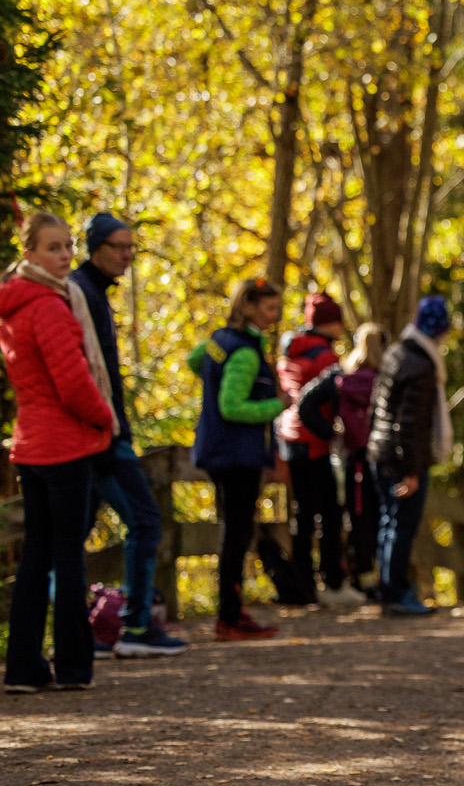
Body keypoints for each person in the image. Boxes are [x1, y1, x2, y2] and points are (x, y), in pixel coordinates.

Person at [2, 213, 118, 693]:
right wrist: (106, 418)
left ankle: (24, 667)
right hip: (62, 445)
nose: (66, 255)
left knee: (36, 556)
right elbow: (72, 383)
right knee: (68, 557)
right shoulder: (48, 305)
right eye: (54, 247)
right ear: (29, 253)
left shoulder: (14, 303)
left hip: (31, 444)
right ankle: (72, 666)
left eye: (69, 245)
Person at [70, 212, 184, 658]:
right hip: (98, 434)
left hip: (105, 430)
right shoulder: (80, 291)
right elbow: (81, 371)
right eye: (118, 246)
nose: (127, 255)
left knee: (73, 535)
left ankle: (84, 632)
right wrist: (103, 429)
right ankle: (135, 624)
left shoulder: (96, 293)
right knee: (145, 519)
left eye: (131, 247)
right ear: (95, 247)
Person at [188, 278, 289, 641]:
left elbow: (194, 360)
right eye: (268, 308)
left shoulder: (219, 341)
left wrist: (213, 380)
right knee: (237, 533)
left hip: (218, 450)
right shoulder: (245, 353)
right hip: (237, 455)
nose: (273, 316)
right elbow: (232, 407)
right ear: (248, 307)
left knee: (233, 531)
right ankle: (229, 616)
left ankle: (232, 611)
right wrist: (278, 405)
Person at [367, 297, 453, 618]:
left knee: (389, 521)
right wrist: (411, 471)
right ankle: (395, 590)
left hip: (382, 451)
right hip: (400, 458)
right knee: (401, 524)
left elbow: (379, 408)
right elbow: (410, 424)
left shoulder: (396, 353)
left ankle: (390, 587)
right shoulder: (421, 365)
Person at [277, 293, 356, 606]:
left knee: (303, 513)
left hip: (289, 438)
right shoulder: (325, 357)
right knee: (330, 514)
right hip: (315, 443)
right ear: (329, 323)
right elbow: (326, 399)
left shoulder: (290, 351)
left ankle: (303, 583)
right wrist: (333, 431)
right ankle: (332, 582)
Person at [333, 323, 387, 595]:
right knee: (378, 517)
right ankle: (378, 578)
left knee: (357, 517)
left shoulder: (344, 381)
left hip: (352, 456)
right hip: (376, 456)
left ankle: (363, 577)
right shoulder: (382, 381)